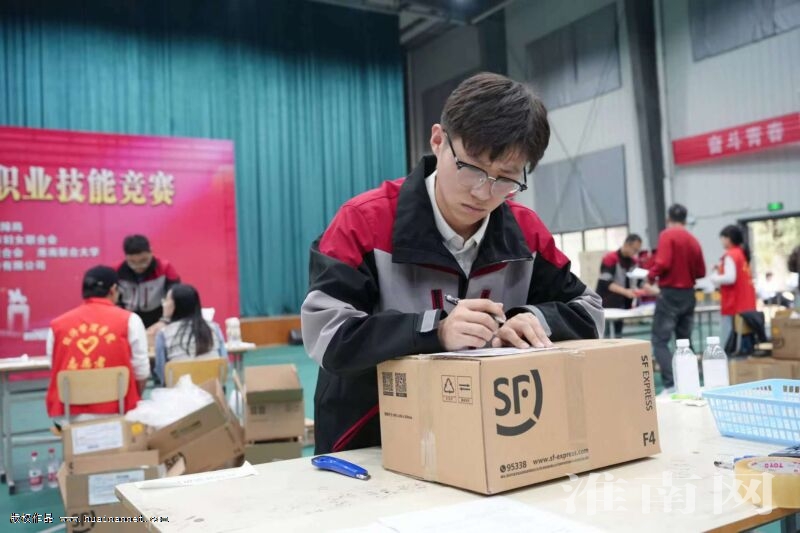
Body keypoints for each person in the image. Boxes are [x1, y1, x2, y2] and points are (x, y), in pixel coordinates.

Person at [301, 72, 604, 454]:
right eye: (472, 167)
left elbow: (591, 311)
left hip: (485, 442)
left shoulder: (526, 234)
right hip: (370, 444)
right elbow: (326, 334)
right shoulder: (364, 222)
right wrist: (435, 331)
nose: (483, 192)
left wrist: (534, 319)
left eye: (505, 178)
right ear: (438, 140)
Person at [45, 265, 149, 420]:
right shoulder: (130, 320)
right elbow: (142, 371)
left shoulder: (57, 325)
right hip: (119, 410)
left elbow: (54, 367)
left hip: (71, 415)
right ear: (113, 290)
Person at [648, 204, 706, 390]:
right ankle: (691, 383)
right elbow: (701, 271)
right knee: (685, 341)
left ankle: (671, 384)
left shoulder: (667, 235)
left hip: (670, 294)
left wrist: (650, 275)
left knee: (660, 341)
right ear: (685, 219)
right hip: (688, 295)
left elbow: (663, 263)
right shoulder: (693, 240)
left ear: (668, 218)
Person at [154, 284, 227, 385]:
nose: (163, 304)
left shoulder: (163, 334)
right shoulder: (214, 328)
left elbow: (162, 372)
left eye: (166, 300)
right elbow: (224, 363)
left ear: (176, 305)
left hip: (179, 393)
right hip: (213, 391)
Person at [116, 234, 180, 330]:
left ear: (151, 251)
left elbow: (174, 295)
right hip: (127, 317)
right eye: (132, 262)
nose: (138, 266)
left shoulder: (165, 268)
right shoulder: (117, 270)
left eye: (143, 260)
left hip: (157, 316)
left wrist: (165, 320)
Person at [596, 234, 656, 336]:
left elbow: (640, 282)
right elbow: (606, 283)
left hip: (623, 306)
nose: (636, 253)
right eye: (635, 250)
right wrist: (626, 292)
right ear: (627, 245)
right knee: (605, 335)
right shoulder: (610, 258)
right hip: (607, 305)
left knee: (618, 334)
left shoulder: (634, 262)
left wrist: (652, 290)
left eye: (637, 251)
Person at [710, 225, 757, 347]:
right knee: (745, 339)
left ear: (728, 239)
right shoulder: (741, 254)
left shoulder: (730, 255)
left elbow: (730, 278)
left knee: (731, 342)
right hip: (746, 304)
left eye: (722, 238)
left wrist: (714, 277)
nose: (721, 241)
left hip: (734, 304)